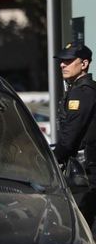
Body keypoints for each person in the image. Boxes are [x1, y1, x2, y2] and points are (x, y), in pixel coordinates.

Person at [53, 41, 96, 224]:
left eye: (69, 60)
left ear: (84, 64)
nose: (63, 64)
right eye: (62, 60)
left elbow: (69, 138)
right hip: (85, 171)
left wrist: (51, 160)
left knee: (80, 226)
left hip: (84, 173)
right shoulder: (79, 90)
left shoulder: (82, 93)